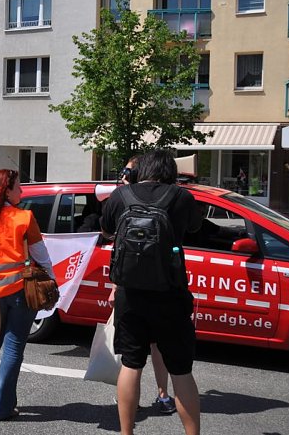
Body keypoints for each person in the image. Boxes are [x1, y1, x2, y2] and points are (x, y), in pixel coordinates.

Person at [100, 149, 202, 435]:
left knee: (131, 366)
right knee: (181, 370)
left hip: (130, 296)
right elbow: (194, 226)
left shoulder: (121, 196)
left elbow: (107, 229)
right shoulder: (181, 197)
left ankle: (126, 432)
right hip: (170, 294)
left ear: (139, 171)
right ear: (171, 172)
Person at [0, 169, 56, 421]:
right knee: (13, 349)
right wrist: (51, 279)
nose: (22, 191)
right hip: (19, 291)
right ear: (6, 190)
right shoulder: (24, 218)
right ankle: (3, 408)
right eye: (18, 187)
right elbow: (41, 254)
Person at [108, 156, 177, 415]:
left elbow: (108, 234)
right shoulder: (174, 197)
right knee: (159, 346)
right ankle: (163, 395)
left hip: (130, 287)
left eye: (128, 170)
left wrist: (114, 287)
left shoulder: (122, 197)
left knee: (131, 359)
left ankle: (130, 403)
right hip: (164, 286)